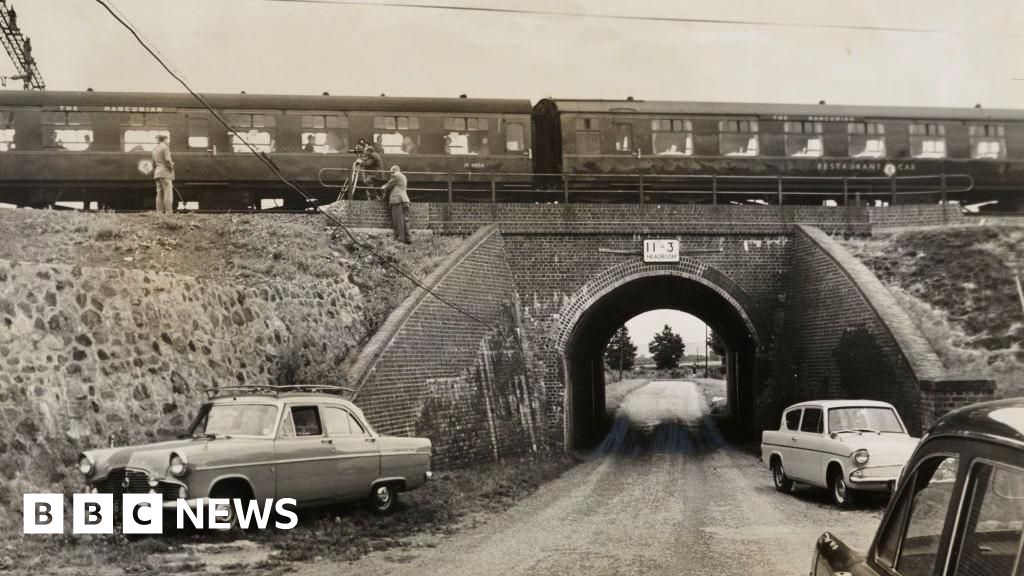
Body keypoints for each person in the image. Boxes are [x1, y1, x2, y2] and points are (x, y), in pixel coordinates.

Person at [381, 165, 411, 244]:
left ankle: (400, 240)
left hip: (397, 200)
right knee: (406, 220)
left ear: (393, 171)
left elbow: (388, 186)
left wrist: (384, 187)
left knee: (398, 221)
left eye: (391, 173)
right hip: (405, 200)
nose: (391, 175)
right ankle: (408, 238)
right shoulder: (404, 177)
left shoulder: (395, 176)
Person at [151, 134, 175, 214]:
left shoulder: (155, 148)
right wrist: (171, 167)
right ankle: (168, 212)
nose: (167, 141)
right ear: (164, 139)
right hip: (165, 173)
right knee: (167, 193)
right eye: (166, 139)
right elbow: (168, 160)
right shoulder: (165, 147)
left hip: (157, 172)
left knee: (159, 193)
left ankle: (159, 212)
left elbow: (153, 163)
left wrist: (157, 169)